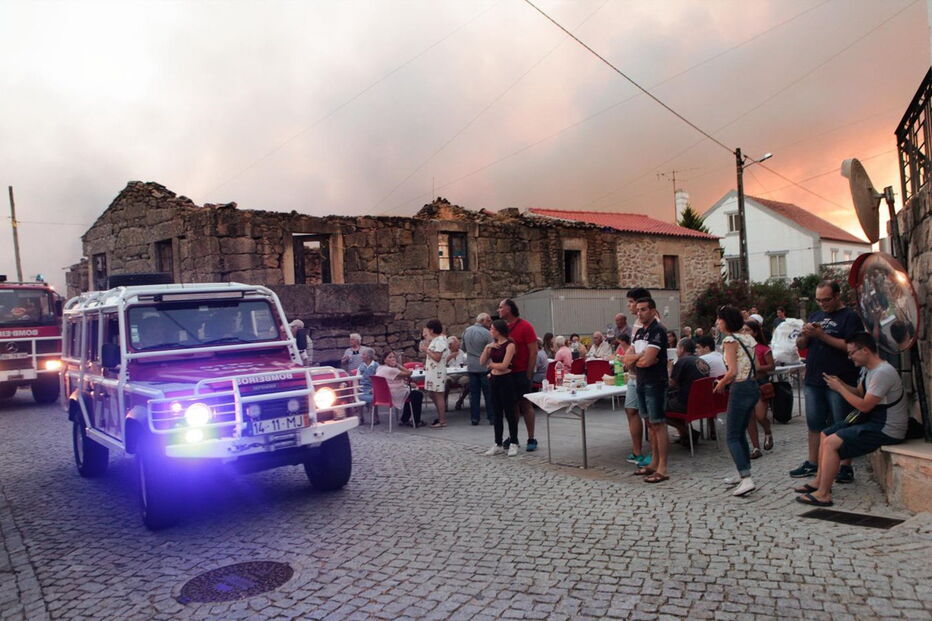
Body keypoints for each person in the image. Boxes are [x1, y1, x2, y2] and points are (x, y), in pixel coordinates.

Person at [795, 332, 908, 507]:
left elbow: (864, 406)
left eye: (852, 353)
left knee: (832, 443)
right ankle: (819, 481)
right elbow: (861, 394)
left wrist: (840, 389)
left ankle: (823, 494)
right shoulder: (868, 370)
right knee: (826, 434)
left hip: (887, 428)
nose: (849, 357)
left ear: (865, 351)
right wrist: (840, 383)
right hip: (874, 420)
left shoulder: (882, 373)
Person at [791, 280, 864, 482]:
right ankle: (813, 462)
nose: (823, 304)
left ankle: (844, 466)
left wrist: (822, 335)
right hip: (814, 378)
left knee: (842, 423)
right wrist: (804, 337)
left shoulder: (849, 317)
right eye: (819, 300)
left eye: (827, 300)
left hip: (839, 378)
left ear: (837, 296)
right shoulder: (816, 316)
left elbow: (851, 346)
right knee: (814, 424)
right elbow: (801, 344)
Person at [714, 305, 760, 497]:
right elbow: (756, 365)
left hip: (740, 388)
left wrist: (721, 383)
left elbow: (732, 371)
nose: (717, 322)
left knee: (732, 435)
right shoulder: (749, 338)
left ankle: (746, 478)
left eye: (719, 319)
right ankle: (741, 470)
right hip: (752, 386)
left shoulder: (730, 340)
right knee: (740, 432)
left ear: (726, 321)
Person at [625, 297, 669, 483]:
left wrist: (638, 359)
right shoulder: (639, 333)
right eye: (638, 310)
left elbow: (647, 361)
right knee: (649, 424)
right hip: (640, 382)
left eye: (643, 309)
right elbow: (626, 359)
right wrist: (639, 356)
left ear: (652, 310)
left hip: (655, 382)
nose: (640, 313)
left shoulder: (658, 331)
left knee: (658, 424)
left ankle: (662, 468)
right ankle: (653, 462)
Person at [497, 299, 538, 451]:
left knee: (525, 405)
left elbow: (533, 352)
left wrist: (529, 373)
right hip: (507, 373)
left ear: (508, 309)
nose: (498, 310)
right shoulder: (503, 329)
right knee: (511, 406)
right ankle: (513, 437)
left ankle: (531, 437)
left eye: (501, 307)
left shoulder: (525, 327)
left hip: (521, 372)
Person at [480, 319, 519, 457]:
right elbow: (481, 361)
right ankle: (498, 443)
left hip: (505, 379)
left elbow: (504, 365)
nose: (490, 331)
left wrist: (491, 366)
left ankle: (514, 442)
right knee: (496, 413)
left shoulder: (510, 345)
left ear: (498, 330)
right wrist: (487, 348)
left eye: (492, 329)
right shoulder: (493, 345)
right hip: (494, 380)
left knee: (509, 412)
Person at [622, 287, 650, 469]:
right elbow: (632, 349)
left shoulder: (650, 324)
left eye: (631, 302)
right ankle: (637, 451)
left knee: (649, 416)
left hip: (645, 376)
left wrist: (630, 357)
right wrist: (629, 356)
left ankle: (654, 453)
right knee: (631, 410)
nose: (629, 306)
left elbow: (645, 354)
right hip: (633, 375)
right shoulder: (636, 324)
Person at [666, 337, 709, 446]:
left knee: (657, 408)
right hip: (703, 404)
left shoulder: (682, 362)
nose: (676, 351)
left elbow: (672, 384)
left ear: (682, 349)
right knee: (672, 401)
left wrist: (669, 369)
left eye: (677, 348)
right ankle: (686, 435)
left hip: (686, 404)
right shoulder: (702, 360)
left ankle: (688, 432)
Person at [742, 320, 775, 458]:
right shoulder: (740, 347)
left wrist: (759, 368)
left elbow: (771, 366)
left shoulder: (762, 348)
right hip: (746, 383)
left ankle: (767, 431)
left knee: (760, 416)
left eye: (748, 330)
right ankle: (756, 447)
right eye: (743, 330)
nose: (745, 333)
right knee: (749, 417)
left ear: (755, 333)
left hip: (760, 383)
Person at [375, 351, 425, 428]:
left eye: (394, 357)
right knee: (418, 395)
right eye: (390, 357)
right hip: (393, 394)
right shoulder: (391, 370)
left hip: (384, 395)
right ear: (384, 360)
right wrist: (398, 365)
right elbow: (409, 373)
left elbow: (392, 380)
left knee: (411, 393)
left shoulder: (380, 368)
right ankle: (416, 421)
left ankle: (404, 419)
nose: (393, 359)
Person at [463, 313, 494, 425]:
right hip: (484, 366)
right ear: (483, 321)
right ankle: (491, 417)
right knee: (488, 394)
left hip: (471, 366)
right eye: (489, 321)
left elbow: (463, 348)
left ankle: (475, 418)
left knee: (474, 394)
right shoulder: (487, 333)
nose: (490, 323)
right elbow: (492, 350)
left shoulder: (466, 331)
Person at [420, 320, 450, 428]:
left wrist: (426, 350)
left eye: (427, 329)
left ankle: (442, 420)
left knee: (438, 394)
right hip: (432, 371)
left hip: (437, 371)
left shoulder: (440, 340)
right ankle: (440, 416)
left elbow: (437, 357)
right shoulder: (436, 340)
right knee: (432, 393)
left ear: (432, 330)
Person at [445, 336, 469, 410]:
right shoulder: (445, 353)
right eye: (457, 344)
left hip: (460, 375)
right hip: (449, 375)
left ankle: (460, 401)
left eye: (459, 344)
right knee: (446, 381)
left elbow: (466, 362)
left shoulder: (461, 352)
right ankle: (444, 404)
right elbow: (441, 365)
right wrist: (449, 357)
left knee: (470, 382)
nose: (459, 345)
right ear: (450, 345)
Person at [356, 349, 379, 423]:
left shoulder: (376, 365)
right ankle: (361, 417)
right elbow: (357, 378)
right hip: (363, 387)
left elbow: (379, 379)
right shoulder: (361, 366)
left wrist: (374, 388)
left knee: (373, 397)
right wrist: (357, 387)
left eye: (363, 354)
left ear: (369, 357)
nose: (361, 356)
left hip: (373, 387)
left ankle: (375, 417)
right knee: (358, 397)